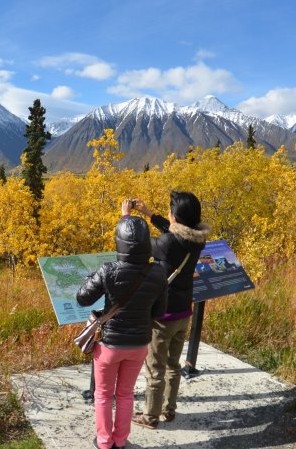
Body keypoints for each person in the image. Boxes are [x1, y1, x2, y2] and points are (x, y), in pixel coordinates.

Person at [77, 199, 167, 449]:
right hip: (139, 345)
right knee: (126, 394)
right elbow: (159, 312)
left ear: (119, 242)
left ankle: (105, 443)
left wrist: (91, 276)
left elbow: (82, 297)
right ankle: (120, 440)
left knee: (103, 395)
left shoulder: (109, 270)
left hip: (110, 346)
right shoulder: (158, 273)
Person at [134, 191, 211, 429]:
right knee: (173, 365)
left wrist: (128, 218)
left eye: (170, 211)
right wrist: (150, 214)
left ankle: (149, 416)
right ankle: (169, 409)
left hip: (162, 316)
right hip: (183, 313)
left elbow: (138, 244)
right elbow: (175, 231)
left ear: (176, 216)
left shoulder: (166, 244)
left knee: (154, 368)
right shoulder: (198, 240)